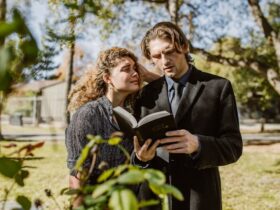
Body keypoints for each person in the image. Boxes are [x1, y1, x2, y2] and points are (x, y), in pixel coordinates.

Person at [132, 22, 243, 210]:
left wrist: (198, 144)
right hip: (155, 197)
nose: (164, 60)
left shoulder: (218, 86)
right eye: (157, 56)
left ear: (184, 46)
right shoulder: (146, 94)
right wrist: (141, 158)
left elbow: (233, 146)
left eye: (169, 51)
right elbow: (136, 150)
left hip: (200, 197)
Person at [65, 47, 159, 207]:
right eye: (126, 69)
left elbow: (174, 87)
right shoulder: (89, 114)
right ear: (108, 78)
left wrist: (142, 160)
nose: (135, 73)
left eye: (135, 69)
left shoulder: (136, 114)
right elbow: (78, 174)